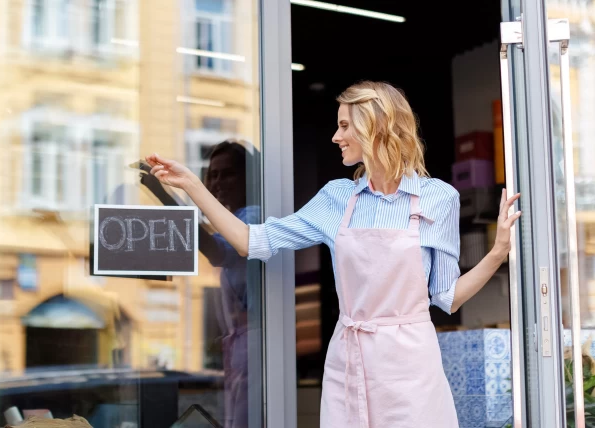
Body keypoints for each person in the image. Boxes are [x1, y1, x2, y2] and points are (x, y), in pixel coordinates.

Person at [145, 81, 521, 427]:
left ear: (375, 125)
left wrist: (497, 252)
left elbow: (448, 297)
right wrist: (191, 185)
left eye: (344, 126)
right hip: (349, 356)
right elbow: (250, 241)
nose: (335, 136)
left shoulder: (439, 198)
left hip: (410, 365)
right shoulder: (336, 198)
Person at [140, 140, 259, 428]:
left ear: (248, 177)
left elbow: (217, 250)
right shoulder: (238, 218)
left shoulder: (252, 216)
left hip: (254, 348)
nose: (217, 182)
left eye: (227, 174)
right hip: (240, 348)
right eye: (212, 175)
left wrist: (165, 195)